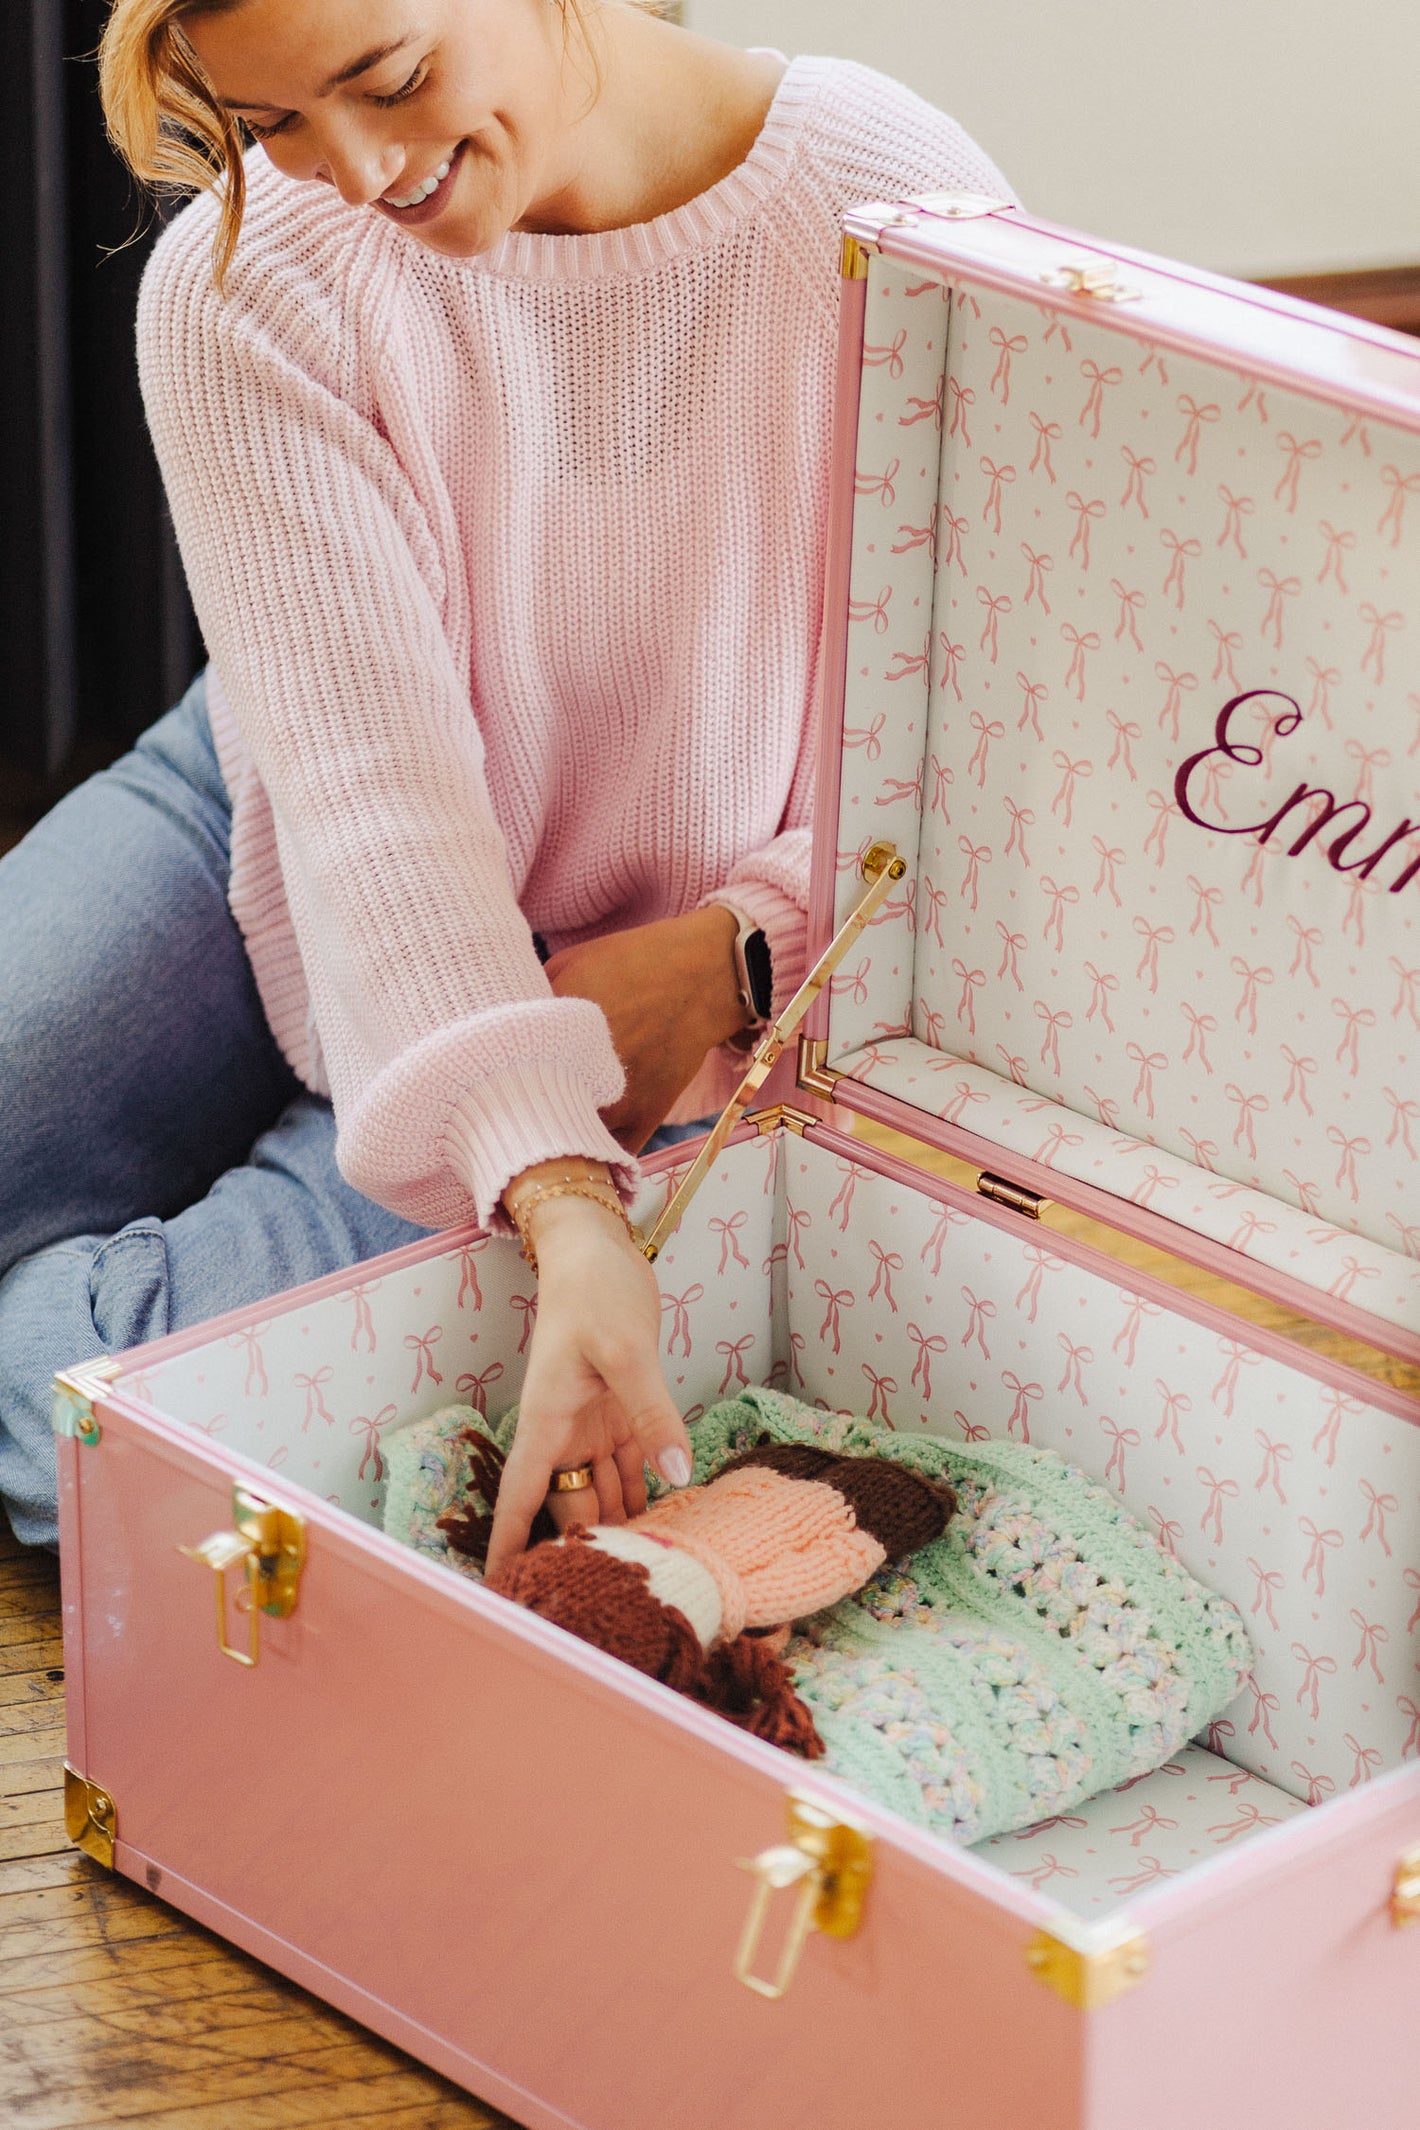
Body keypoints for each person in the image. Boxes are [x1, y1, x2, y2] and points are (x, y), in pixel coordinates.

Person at [0, 0, 1007, 1579]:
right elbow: (369, 802)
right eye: (273, 125)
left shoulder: (893, 205)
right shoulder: (245, 279)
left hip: (664, 979)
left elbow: (993, 761)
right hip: (283, 809)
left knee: (87, 1450)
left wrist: (748, 947)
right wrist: (563, 1202)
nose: (357, 170)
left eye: (389, 80)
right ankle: (292, 1132)